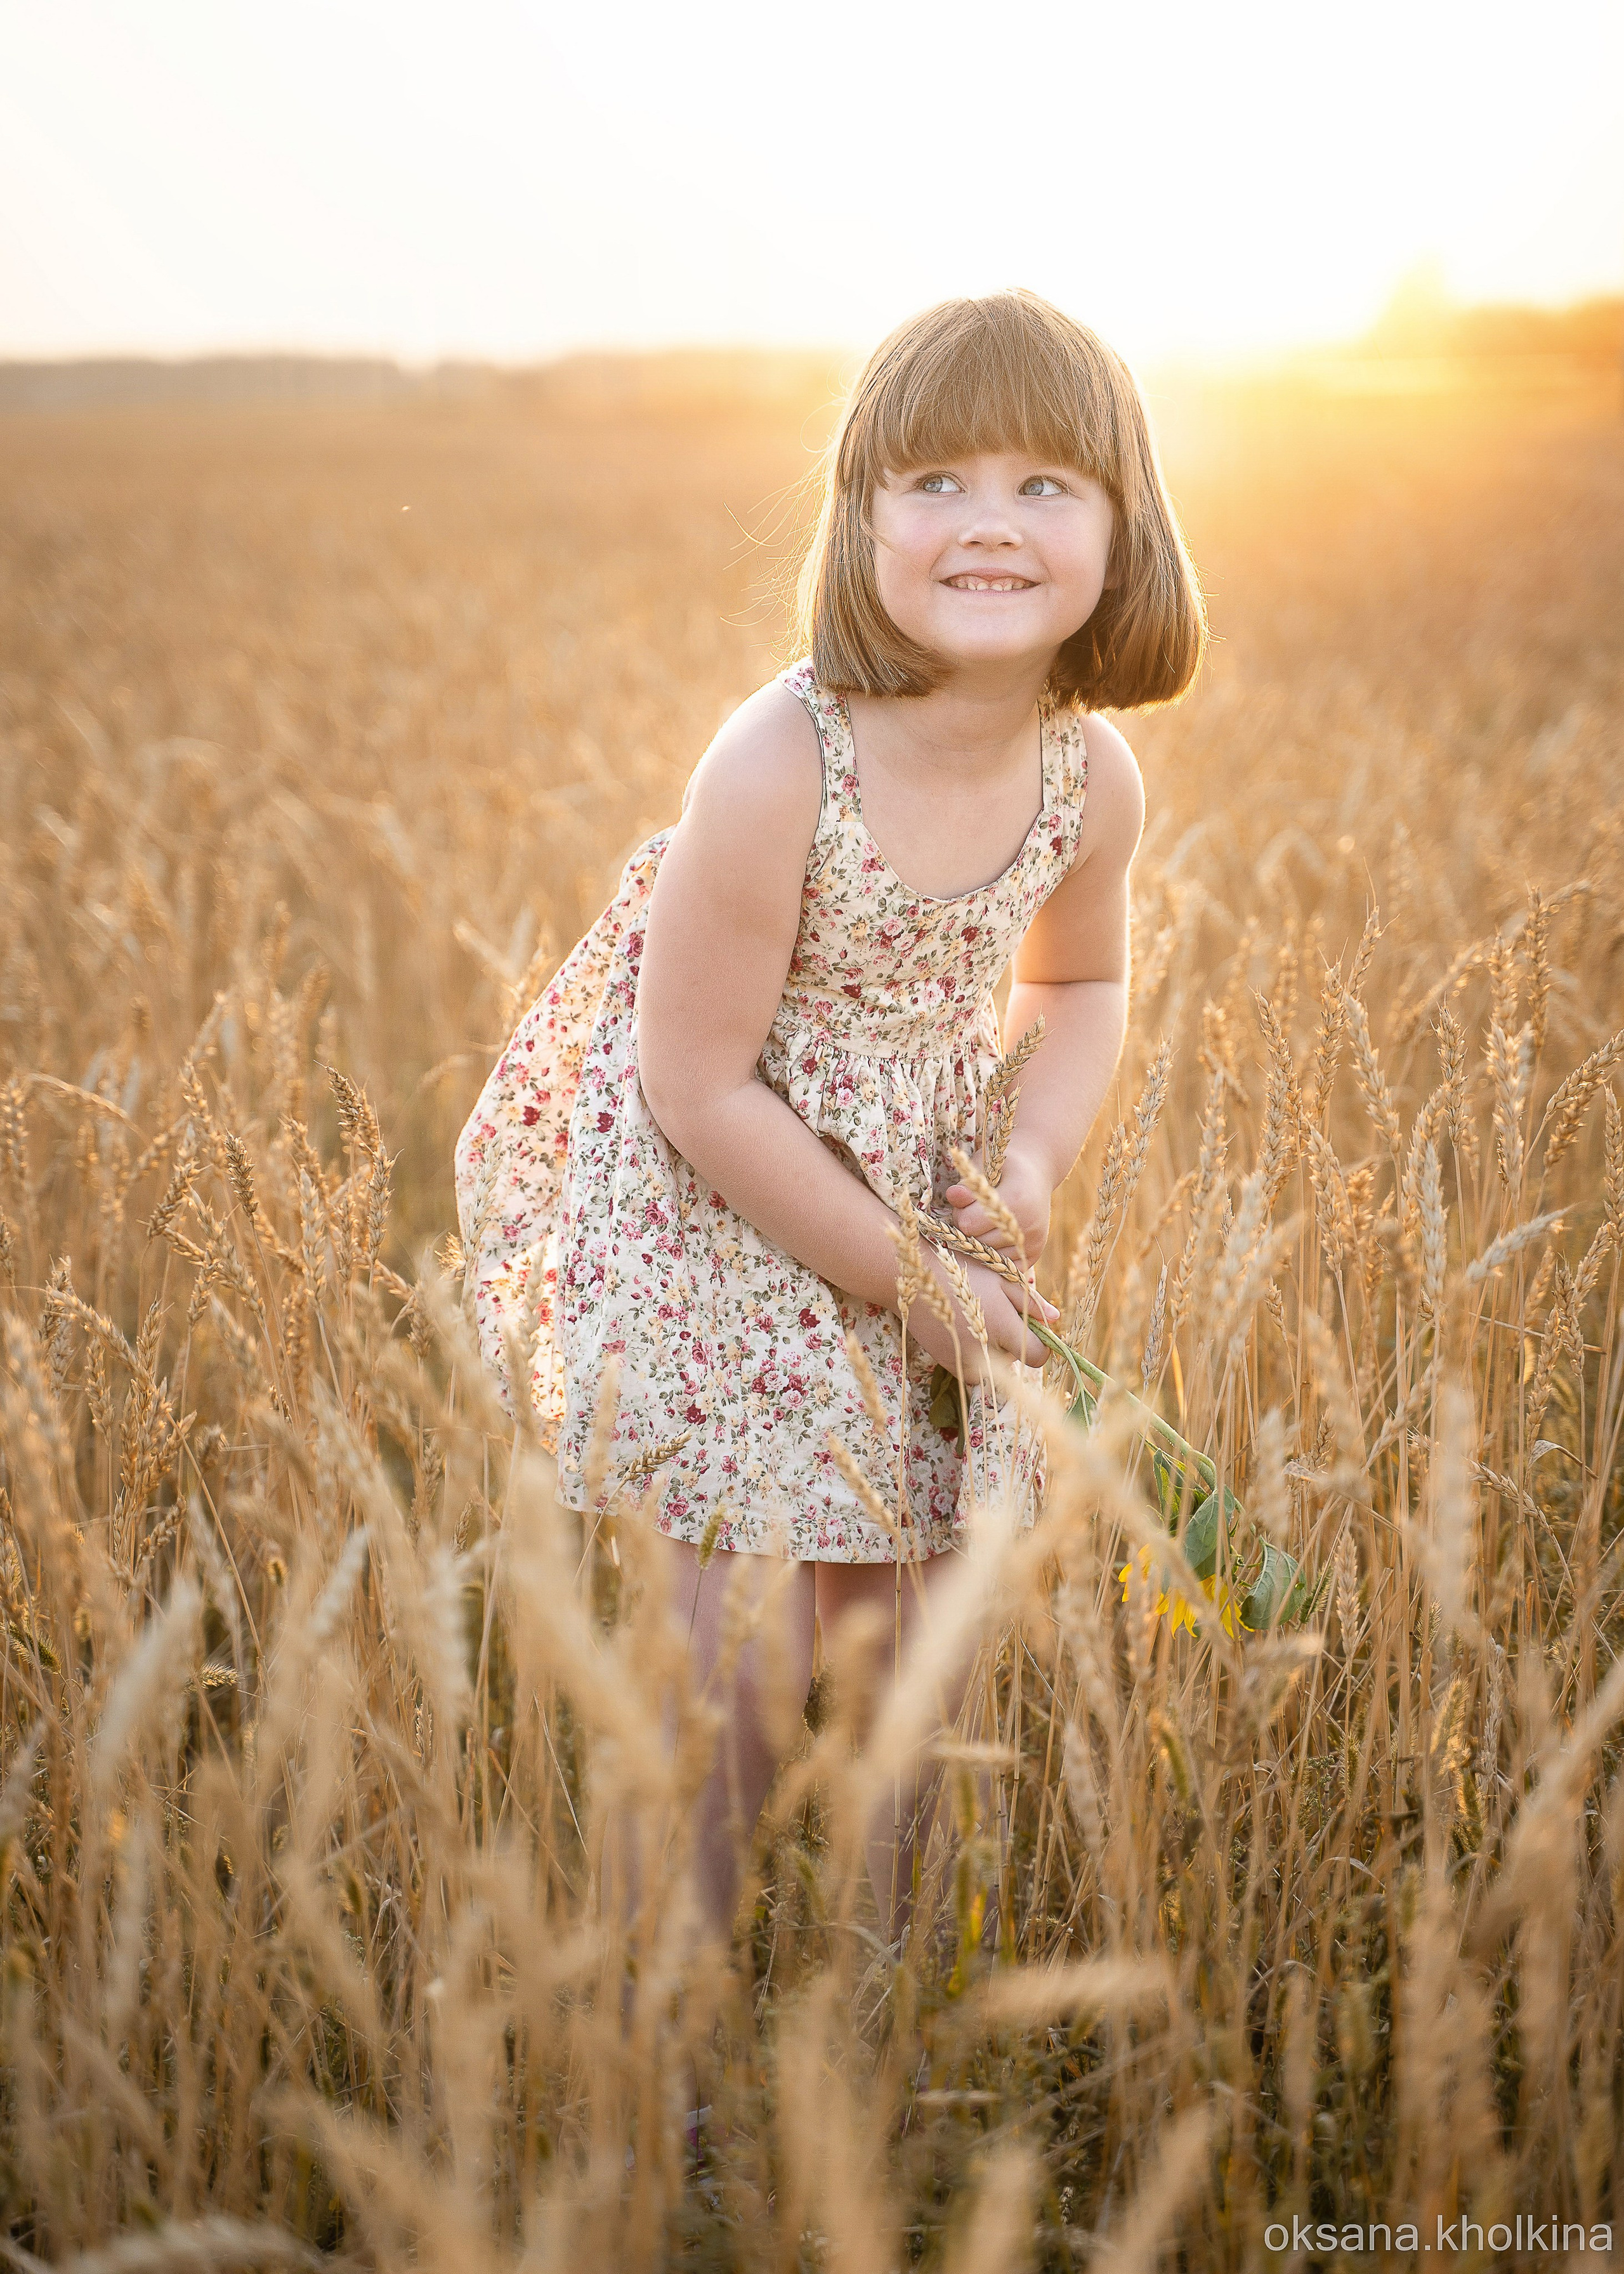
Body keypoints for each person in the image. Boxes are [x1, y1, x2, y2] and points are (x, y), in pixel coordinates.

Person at [454, 288, 1205, 1948]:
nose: (988, 523)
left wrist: (1027, 1158)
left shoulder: (1091, 779)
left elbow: (1078, 985)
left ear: (1124, 530)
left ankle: (893, 2000)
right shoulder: (779, 765)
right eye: (936, 482)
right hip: (730, 1213)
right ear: (861, 521)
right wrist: (900, 1277)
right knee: (736, 1670)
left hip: (924, 1204)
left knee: (914, 1649)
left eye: (1044, 485)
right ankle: (668, 2038)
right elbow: (696, 1083)